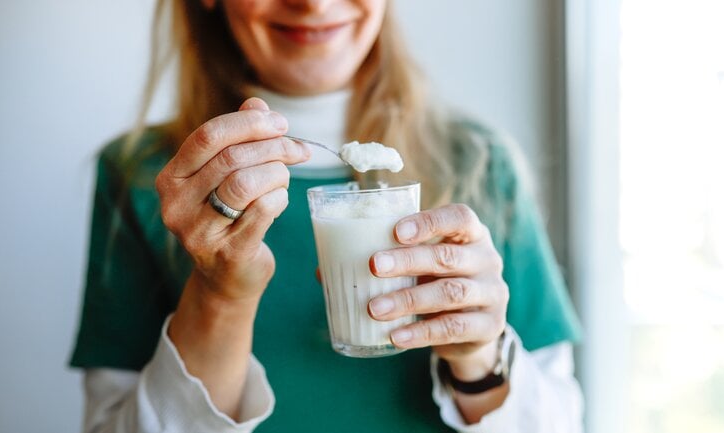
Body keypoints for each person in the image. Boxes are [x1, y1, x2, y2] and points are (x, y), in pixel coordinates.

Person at [70, 0, 583, 432]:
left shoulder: (480, 163)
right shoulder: (148, 177)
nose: (314, 2)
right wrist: (220, 293)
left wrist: (479, 361)